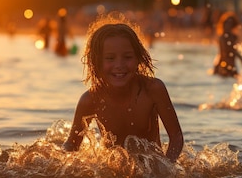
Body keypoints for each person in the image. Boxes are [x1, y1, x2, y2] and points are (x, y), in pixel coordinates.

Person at [62, 14, 184, 162]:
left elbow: (176, 137)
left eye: (127, 57)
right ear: (96, 62)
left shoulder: (153, 90)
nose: (119, 65)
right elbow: (72, 144)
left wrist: (166, 167)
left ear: (138, 58)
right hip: (112, 173)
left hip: (151, 171)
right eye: (110, 58)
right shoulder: (90, 100)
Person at [212, 11, 242, 77]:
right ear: (223, 24)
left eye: (230, 23)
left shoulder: (234, 37)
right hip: (223, 66)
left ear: (233, 25)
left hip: (232, 66)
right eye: (226, 23)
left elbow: (235, 51)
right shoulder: (222, 38)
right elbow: (222, 53)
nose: (228, 26)